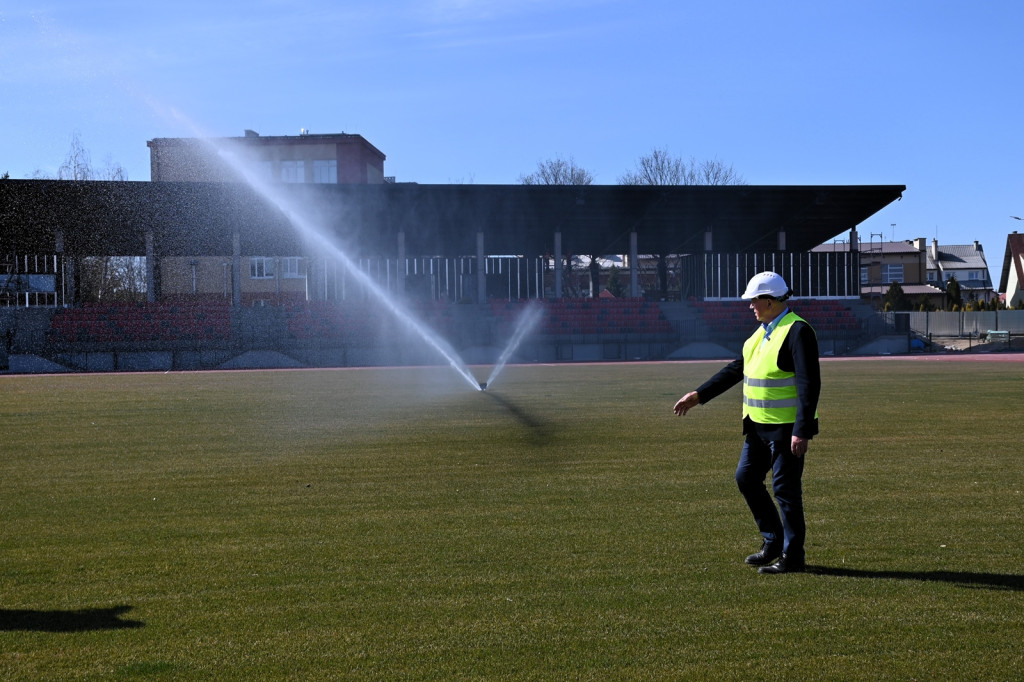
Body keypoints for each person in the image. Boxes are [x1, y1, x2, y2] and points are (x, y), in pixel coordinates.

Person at [674, 271, 820, 574]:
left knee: (785, 491)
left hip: (785, 429)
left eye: (754, 300)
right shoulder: (760, 334)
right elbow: (735, 370)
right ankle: (773, 542)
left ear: (769, 301)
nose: (750, 306)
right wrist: (699, 395)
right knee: (746, 478)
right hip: (756, 427)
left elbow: (809, 384)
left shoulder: (797, 331)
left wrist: (802, 430)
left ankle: (793, 558)